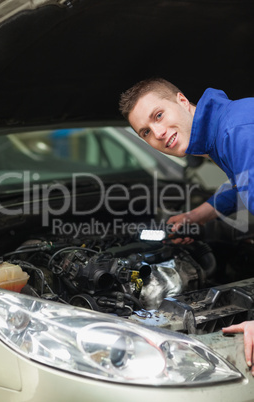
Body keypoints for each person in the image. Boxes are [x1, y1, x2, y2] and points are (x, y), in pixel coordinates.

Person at [119, 77, 254, 375]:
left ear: (181, 100)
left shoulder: (237, 131)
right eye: (146, 132)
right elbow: (241, 185)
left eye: (158, 115)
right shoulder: (225, 128)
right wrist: (194, 218)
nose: (158, 133)